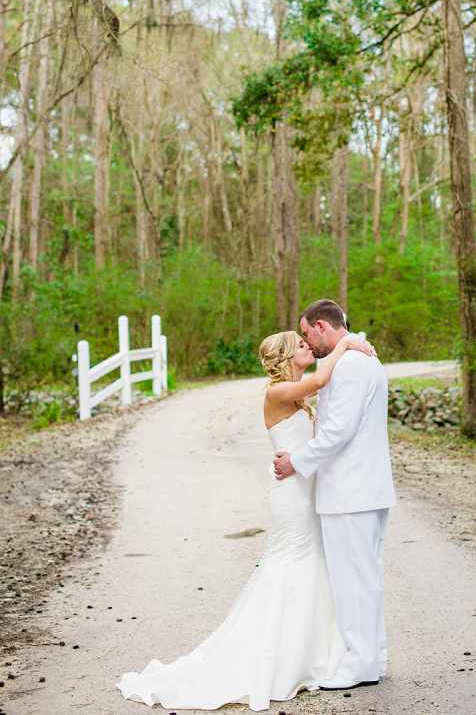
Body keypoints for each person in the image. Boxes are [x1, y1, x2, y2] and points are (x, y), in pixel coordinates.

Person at [117, 329, 376, 712]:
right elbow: (322, 379)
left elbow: (330, 394)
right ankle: (277, 656)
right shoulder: (276, 393)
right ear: (287, 357)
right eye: (301, 345)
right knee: (290, 566)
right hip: (292, 499)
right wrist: (347, 343)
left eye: (308, 342)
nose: (308, 347)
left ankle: (314, 655)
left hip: (308, 493)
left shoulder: (298, 394)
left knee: (312, 567)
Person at [274, 298, 397, 691]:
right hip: (369, 488)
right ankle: (372, 658)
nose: (308, 342)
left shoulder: (348, 365)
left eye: (308, 334)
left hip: (350, 491)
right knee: (368, 576)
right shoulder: (366, 359)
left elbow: (336, 432)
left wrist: (297, 460)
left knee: (353, 579)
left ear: (323, 327)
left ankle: (359, 665)